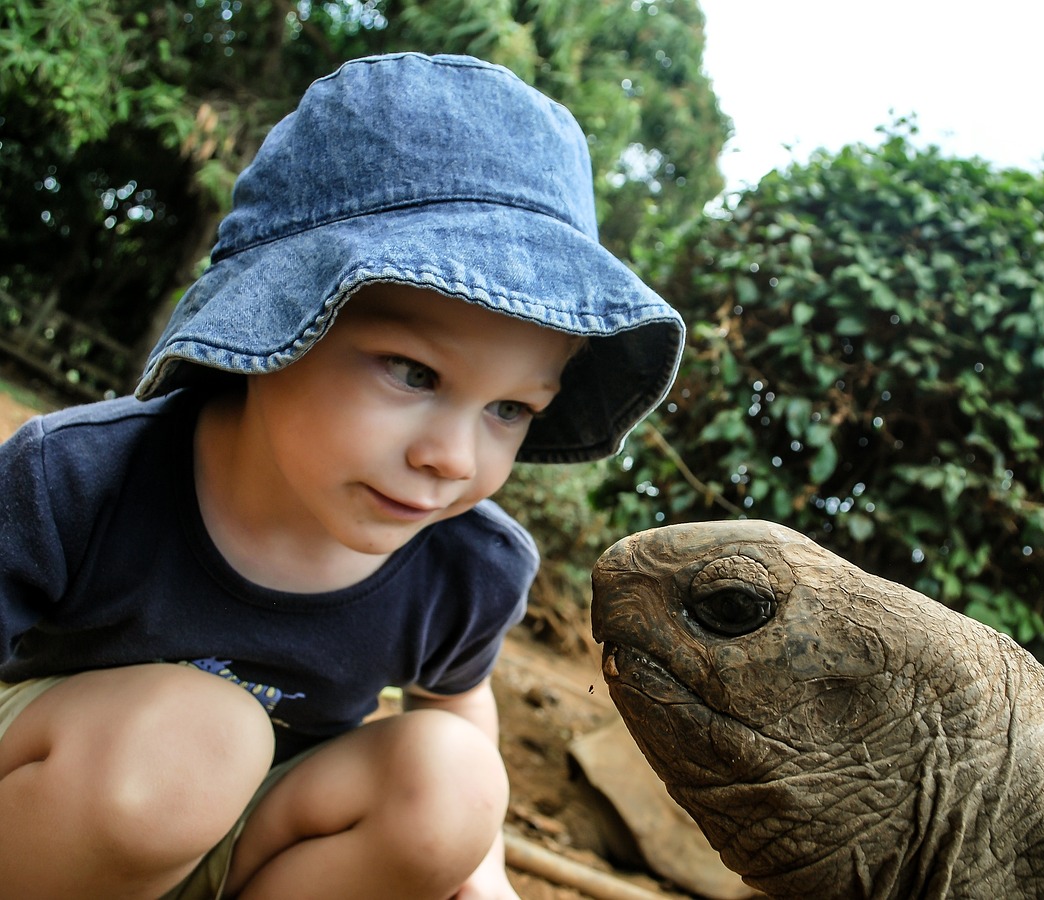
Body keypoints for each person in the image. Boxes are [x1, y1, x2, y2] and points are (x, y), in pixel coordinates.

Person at [0, 52, 683, 899]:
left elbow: (455, 704)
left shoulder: (468, 567)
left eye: (510, 408)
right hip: (55, 811)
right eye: (413, 372)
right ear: (274, 321)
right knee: (199, 740)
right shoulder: (79, 477)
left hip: (255, 834)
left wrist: (484, 869)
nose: (453, 458)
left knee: (454, 782)